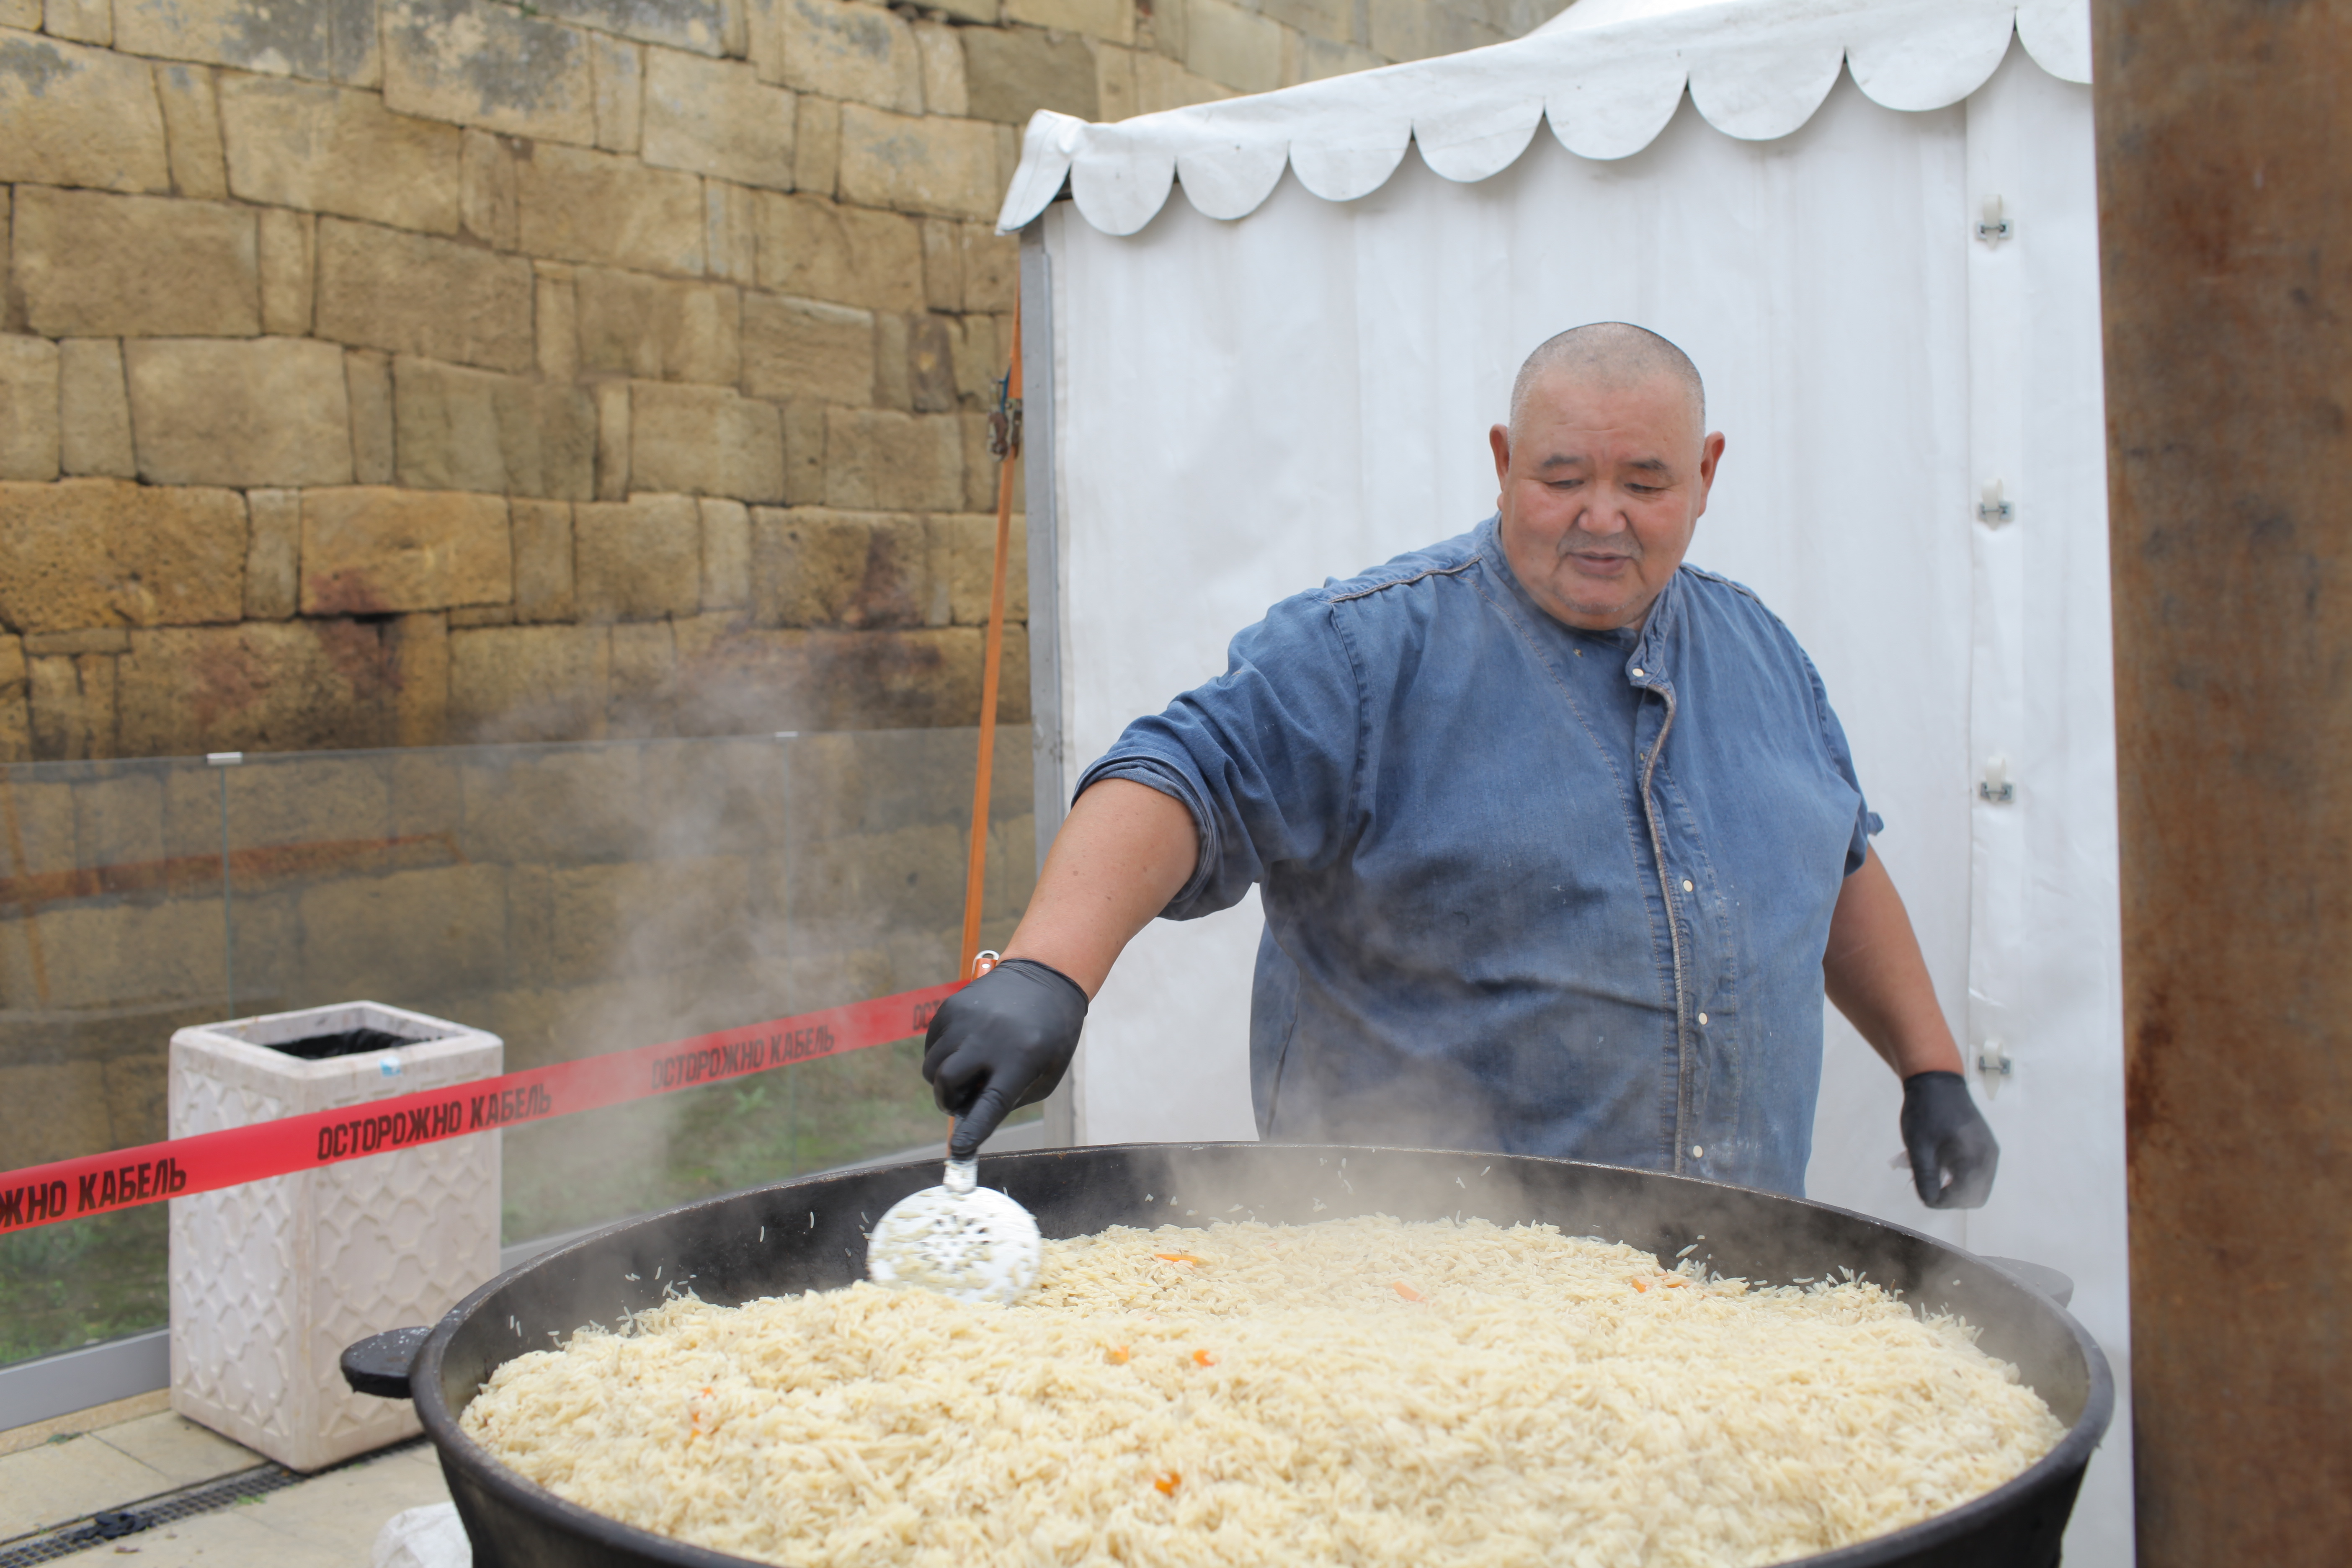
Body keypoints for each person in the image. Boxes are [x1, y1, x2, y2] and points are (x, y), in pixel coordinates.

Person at [921, 323, 1997, 1208]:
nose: (1603, 518)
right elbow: (1178, 776)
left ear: (1708, 474)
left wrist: (1931, 1068)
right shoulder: (1367, 651)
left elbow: (1835, 866)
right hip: (1421, 1304)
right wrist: (1048, 970)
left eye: (1646, 482)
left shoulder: (1766, 656)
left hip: (1732, 1281)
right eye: (1562, 477)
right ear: (1503, 462)